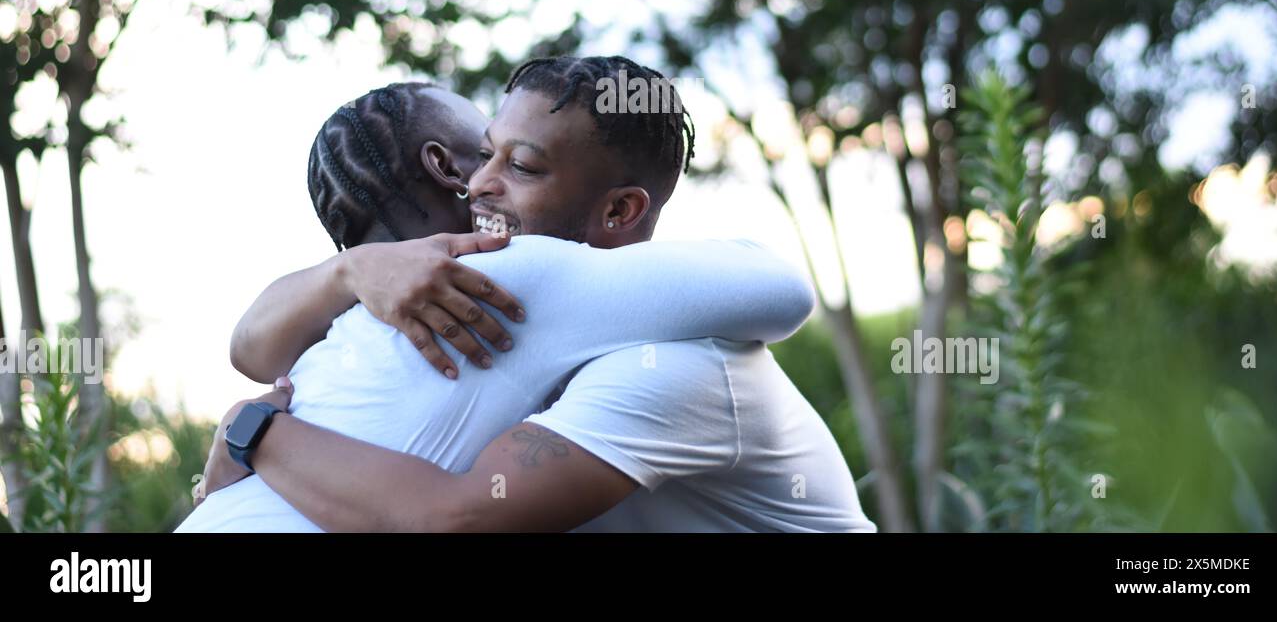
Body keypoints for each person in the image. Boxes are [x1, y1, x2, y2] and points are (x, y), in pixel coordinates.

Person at [186, 56, 875, 532]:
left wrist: (253, 434)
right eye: (485, 151)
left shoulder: (670, 358)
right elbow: (250, 347)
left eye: (519, 165)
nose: (479, 182)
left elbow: (451, 521)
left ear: (617, 212)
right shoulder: (472, 303)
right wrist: (353, 270)